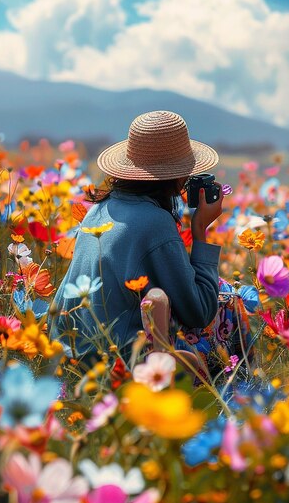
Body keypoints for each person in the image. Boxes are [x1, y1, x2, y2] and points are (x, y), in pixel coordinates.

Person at [50, 110, 224, 366]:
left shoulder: (98, 208)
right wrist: (200, 230)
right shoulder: (156, 222)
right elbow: (199, 312)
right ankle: (237, 391)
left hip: (67, 354)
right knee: (231, 306)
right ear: (177, 176)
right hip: (116, 364)